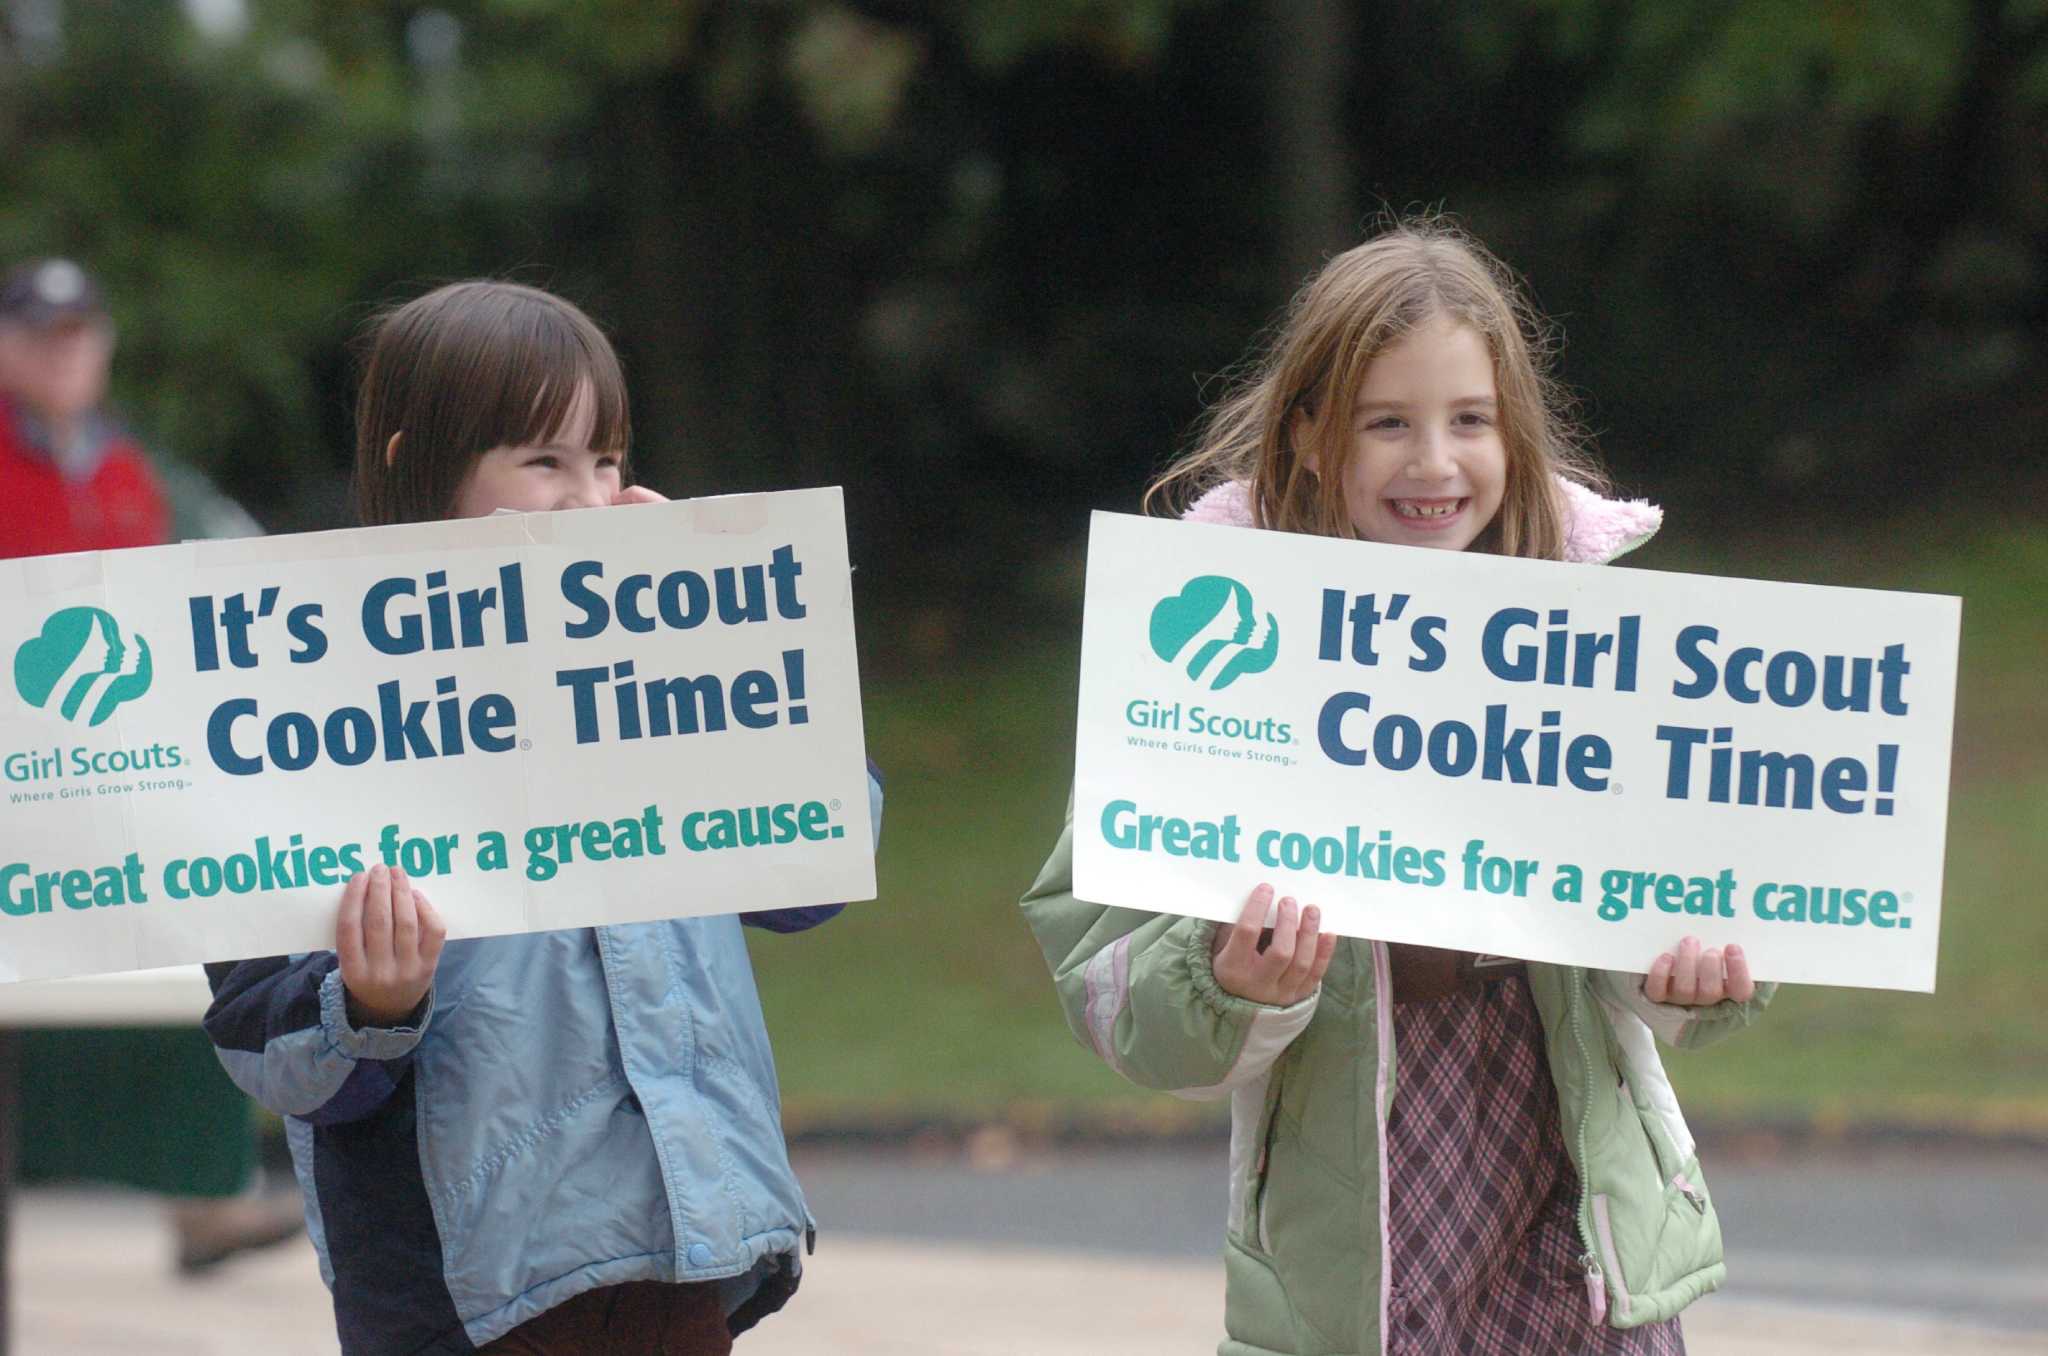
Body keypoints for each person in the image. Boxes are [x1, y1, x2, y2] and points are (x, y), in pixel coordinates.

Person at [1020, 218, 1773, 1355]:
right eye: (1387, 423)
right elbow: (1105, 972)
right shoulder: (1205, 648)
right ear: (1308, 436)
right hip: (1354, 1239)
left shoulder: (1598, 646)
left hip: (1573, 1220)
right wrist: (1228, 983)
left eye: (1469, 420)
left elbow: (1688, 911)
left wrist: (1686, 972)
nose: (1432, 463)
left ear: (1515, 434)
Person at [202, 280, 881, 1355]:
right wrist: (371, 1005)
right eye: (544, 462)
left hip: (678, 1252)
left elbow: (816, 870)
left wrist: (715, 640)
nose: (590, 500)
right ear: (415, 466)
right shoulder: (310, 710)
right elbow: (262, 1043)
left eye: (606, 461)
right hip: (462, 1294)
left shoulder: (659, 670)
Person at [0, 256, 304, 1273]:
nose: (62, 353)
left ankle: (200, 1198)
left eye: (77, 333)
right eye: (39, 334)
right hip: (14, 773)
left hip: (114, 769)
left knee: (183, 929)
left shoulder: (136, 468)